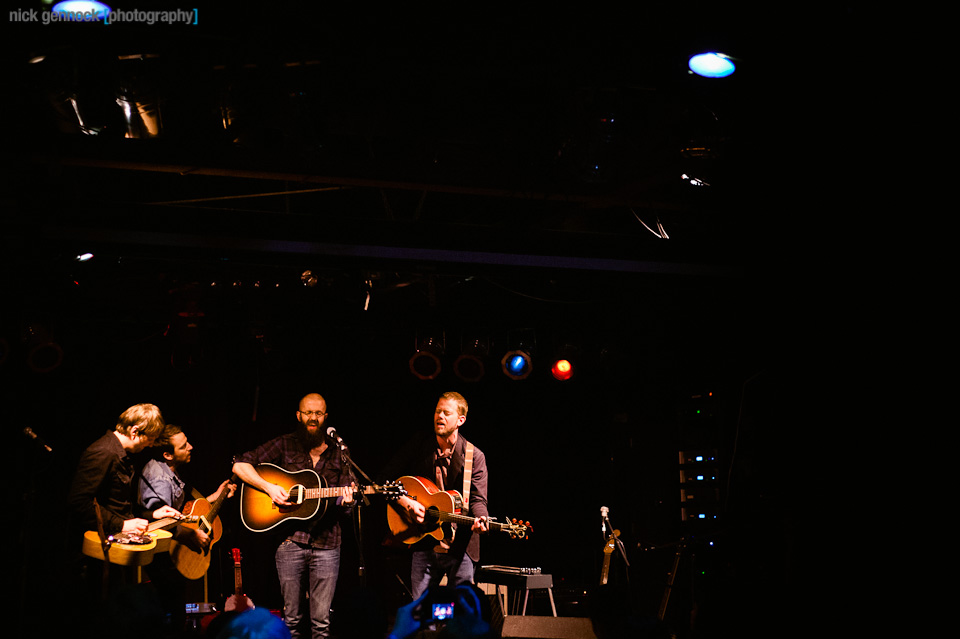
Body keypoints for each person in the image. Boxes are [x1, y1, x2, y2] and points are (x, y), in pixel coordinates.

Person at [232, 393, 356, 639]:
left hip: (328, 544)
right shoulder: (284, 444)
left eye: (318, 413)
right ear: (298, 416)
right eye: (308, 413)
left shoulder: (339, 451)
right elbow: (239, 465)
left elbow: (345, 501)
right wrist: (269, 488)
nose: (313, 418)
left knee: (322, 622)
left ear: (326, 417)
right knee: (291, 620)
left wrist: (347, 499)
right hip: (290, 542)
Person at [383, 391, 489, 599]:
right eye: (437, 411)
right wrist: (407, 504)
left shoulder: (473, 456)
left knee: (461, 615)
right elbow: (385, 480)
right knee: (420, 614)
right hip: (424, 540)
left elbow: (477, 499)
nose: (439, 416)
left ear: (460, 420)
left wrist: (481, 518)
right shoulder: (419, 446)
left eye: (446, 413)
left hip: (461, 546)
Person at [138, 423, 237, 629]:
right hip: (159, 555)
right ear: (168, 454)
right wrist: (191, 536)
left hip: (168, 553)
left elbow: (185, 513)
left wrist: (215, 497)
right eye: (183, 446)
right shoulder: (159, 478)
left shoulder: (171, 472)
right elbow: (159, 522)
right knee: (169, 611)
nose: (190, 447)